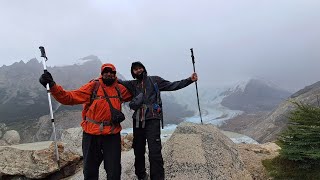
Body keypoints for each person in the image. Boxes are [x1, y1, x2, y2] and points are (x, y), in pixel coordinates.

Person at [39, 63, 132, 180]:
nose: (109, 74)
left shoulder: (120, 88)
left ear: (115, 74)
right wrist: (52, 86)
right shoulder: (93, 86)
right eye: (106, 71)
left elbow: (136, 91)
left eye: (111, 72)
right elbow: (70, 97)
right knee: (90, 171)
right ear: (102, 73)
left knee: (114, 171)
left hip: (112, 135)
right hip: (91, 134)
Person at [119, 61, 198, 180]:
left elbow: (173, 85)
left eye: (140, 68)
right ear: (133, 72)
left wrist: (189, 80)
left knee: (154, 151)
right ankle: (141, 175)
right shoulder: (132, 84)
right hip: (138, 120)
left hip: (153, 119)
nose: (138, 70)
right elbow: (117, 81)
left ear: (144, 69)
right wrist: (100, 78)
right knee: (138, 149)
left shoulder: (155, 80)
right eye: (135, 69)